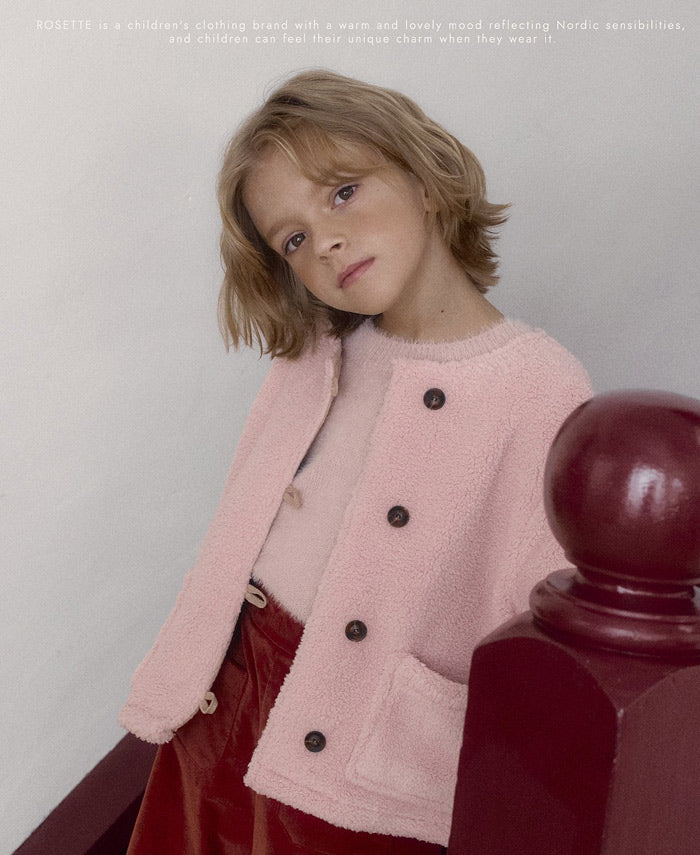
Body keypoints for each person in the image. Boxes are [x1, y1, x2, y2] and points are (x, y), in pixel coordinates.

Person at [121, 69, 592, 854]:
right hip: (227, 692)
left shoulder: (541, 387)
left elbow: (541, 622)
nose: (326, 241)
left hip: (360, 738)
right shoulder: (315, 353)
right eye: (294, 239)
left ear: (424, 177)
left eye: (342, 192)